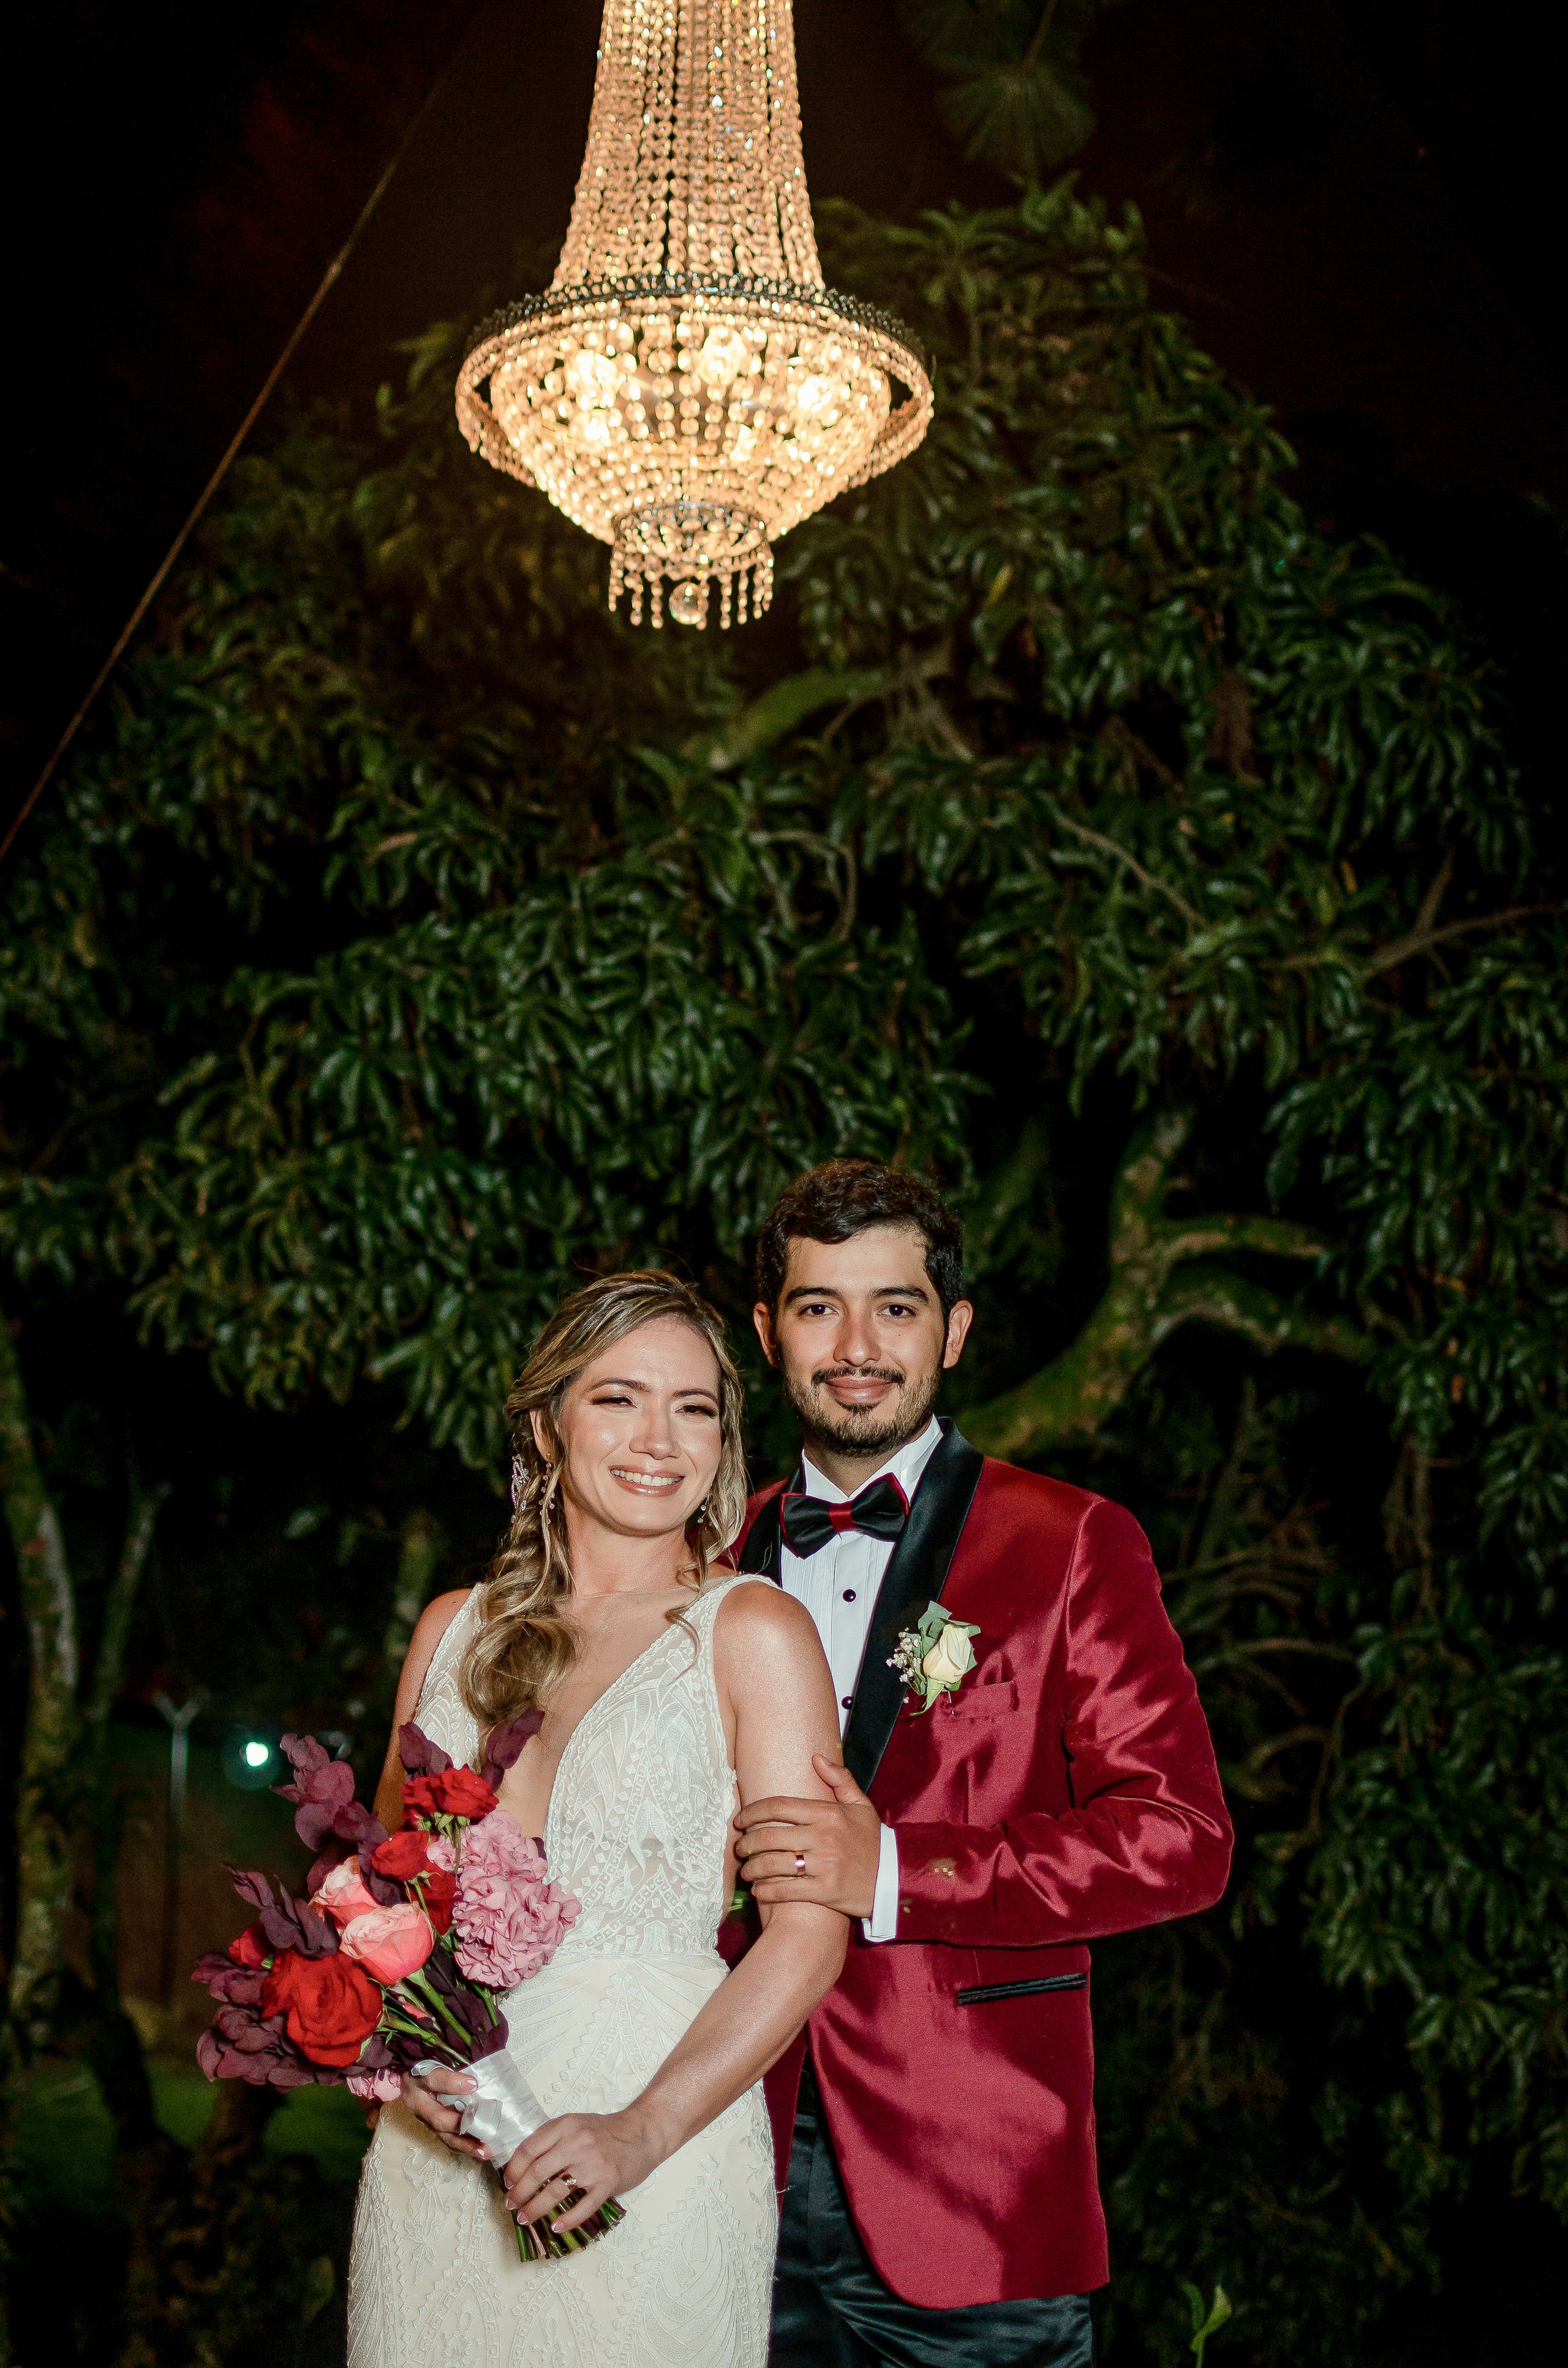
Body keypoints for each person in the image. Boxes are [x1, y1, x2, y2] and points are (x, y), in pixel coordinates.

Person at [729, 1160, 1234, 2368]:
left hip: (974, 2188)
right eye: (817, 1306)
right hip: (726, 2170)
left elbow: (1180, 1838)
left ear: (951, 1330)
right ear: (766, 1333)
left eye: (893, 1306)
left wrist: (897, 1870)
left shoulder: (1067, 1542)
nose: (855, 1343)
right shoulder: (713, 1552)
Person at [347, 1271, 848, 2368]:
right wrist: (401, 2054)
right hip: (435, 2157)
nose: (660, 1438)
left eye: (696, 1406)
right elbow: (374, 1893)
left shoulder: (753, 1630)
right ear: (546, 1422)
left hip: (651, 2149)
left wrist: (643, 2129)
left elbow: (810, 1931)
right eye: (620, 1398)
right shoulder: (450, 1631)